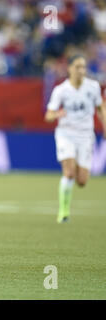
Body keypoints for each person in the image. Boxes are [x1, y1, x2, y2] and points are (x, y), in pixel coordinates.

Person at [45, 55, 106, 223]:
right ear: (70, 68)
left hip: (86, 135)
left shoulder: (93, 87)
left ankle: (66, 206)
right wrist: (57, 114)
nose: (81, 70)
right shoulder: (61, 90)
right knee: (69, 172)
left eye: (84, 67)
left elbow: (101, 107)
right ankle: (63, 212)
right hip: (66, 133)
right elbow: (48, 115)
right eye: (78, 67)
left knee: (82, 181)